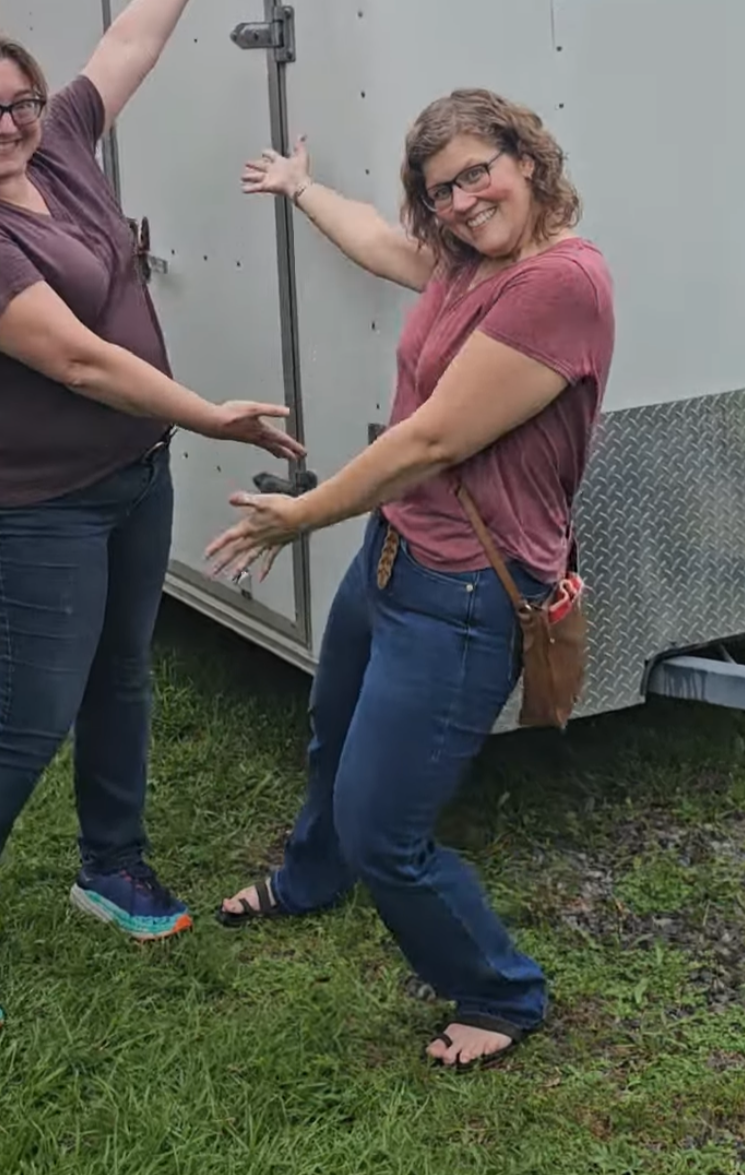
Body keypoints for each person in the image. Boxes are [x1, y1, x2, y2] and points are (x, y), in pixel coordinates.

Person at [0, 0, 305, 1035]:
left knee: (124, 676)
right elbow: (76, 360)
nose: (9, 123)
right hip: (40, 505)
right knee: (28, 723)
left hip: (131, 477)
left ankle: (109, 868)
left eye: (22, 102)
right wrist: (211, 416)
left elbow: (128, 47)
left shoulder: (63, 146)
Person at [208, 90, 615, 1070]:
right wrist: (305, 189)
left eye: (482, 171)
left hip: (468, 593)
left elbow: (429, 439)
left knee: (387, 831)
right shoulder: (467, 263)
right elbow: (379, 246)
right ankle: (311, 879)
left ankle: (500, 991)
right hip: (392, 561)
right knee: (332, 738)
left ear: (527, 159)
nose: (467, 200)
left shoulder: (561, 283)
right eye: (444, 191)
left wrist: (303, 512)